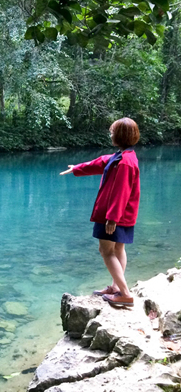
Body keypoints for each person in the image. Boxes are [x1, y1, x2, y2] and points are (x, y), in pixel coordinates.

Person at [59, 118, 141, 307]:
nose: (110, 134)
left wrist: (112, 218)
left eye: (112, 132)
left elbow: (121, 191)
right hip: (124, 214)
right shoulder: (124, 156)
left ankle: (126, 294)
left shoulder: (125, 163)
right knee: (118, 249)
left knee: (106, 251)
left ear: (120, 135)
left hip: (114, 215)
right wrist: (77, 168)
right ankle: (116, 288)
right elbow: (102, 162)